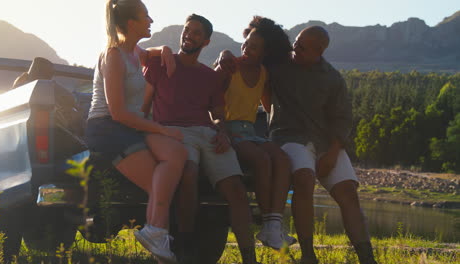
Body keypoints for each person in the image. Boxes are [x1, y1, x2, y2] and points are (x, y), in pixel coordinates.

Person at [218, 26, 378, 264]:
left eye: (302, 47)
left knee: (348, 192)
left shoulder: (332, 78)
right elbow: (249, 55)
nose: (295, 48)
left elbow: (343, 119)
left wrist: (332, 154)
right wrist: (223, 55)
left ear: (319, 51)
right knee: (304, 179)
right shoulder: (278, 66)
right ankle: (308, 256)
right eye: (296, 42)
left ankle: (367, 257)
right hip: (289, 137)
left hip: (326, 142)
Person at [143, 14, 260, 264]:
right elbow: (143, 107)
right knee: (189, 173)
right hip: (173, 132)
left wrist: (222, 132)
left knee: (237, 190)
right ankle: (185, 246)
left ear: (206, 42)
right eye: (187, 30)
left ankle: (249, 257)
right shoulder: (160, 64)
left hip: (208, 133)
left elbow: (218, 116)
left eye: (196, 33)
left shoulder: (210, 77)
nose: (189, 35)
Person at [85, 1, 187, 263]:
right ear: (131, 23)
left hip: (130, 126)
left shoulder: (134, 51)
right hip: (107, 127)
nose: (151, 20)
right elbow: (117, 112)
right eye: (145, 16)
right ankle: (157, 232)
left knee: (176, 152)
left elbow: (146, 54)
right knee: (159, 180)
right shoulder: (114, 56)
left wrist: (162, 49)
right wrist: (161, 129)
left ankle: (154, 230)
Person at [215, 16, 295, 250]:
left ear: (265, 54)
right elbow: (209, 100)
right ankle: (268, 225)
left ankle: (273, 226)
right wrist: (224, 55)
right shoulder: (229, 67)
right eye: (246, 43)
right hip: (228, 129)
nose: (246, 49)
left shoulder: (263, 73)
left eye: (254, 47)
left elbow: (269, 107)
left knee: (282, 158)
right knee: (261, 159)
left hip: (250, 131)